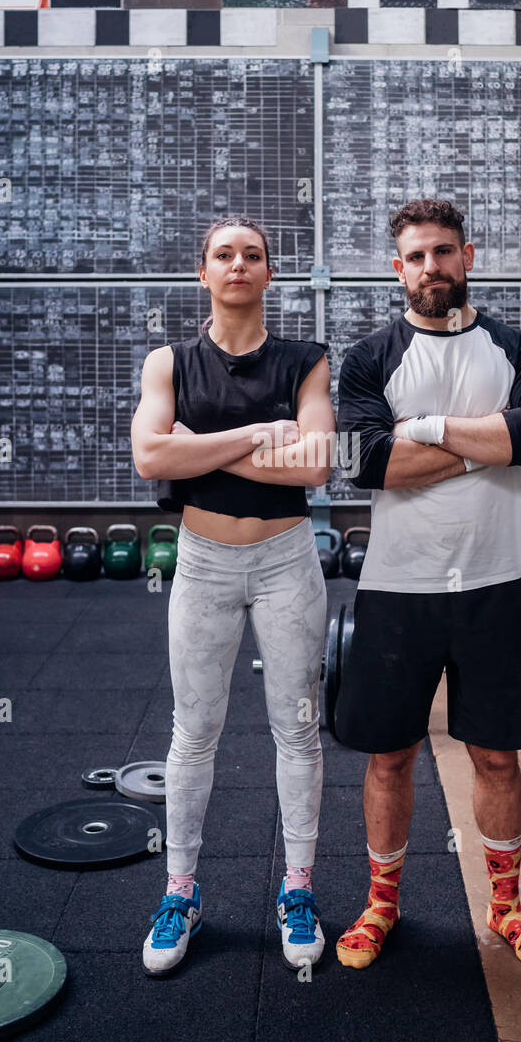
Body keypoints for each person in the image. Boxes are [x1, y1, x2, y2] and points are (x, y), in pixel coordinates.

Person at [334, 198, 521, 974]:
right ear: (397, 269)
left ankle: (506, 909)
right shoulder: (370, 357)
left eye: (443, 251)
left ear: (469, 255)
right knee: (389, 755)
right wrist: (484, 442)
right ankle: (381, 906)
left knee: (497, 756)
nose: (431, 267)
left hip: (496, 581)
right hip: (398, 585)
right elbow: (366, 462)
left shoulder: (514, 345)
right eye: (415, 256)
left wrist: (423, 429)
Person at [130, 216, 334, 975]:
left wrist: (200, 452)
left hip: (287, 560)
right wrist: (261, 436)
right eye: (225, 254)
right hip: (203, 562)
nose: (239, 264)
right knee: (193, 733)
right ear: (204, 273)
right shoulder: (169, 362)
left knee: (297, 730)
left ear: (269, 273)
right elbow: (151, 454)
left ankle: (298, 887)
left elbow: (316, 464)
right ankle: (180, 891)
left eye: (252, 254)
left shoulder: (306, 360)